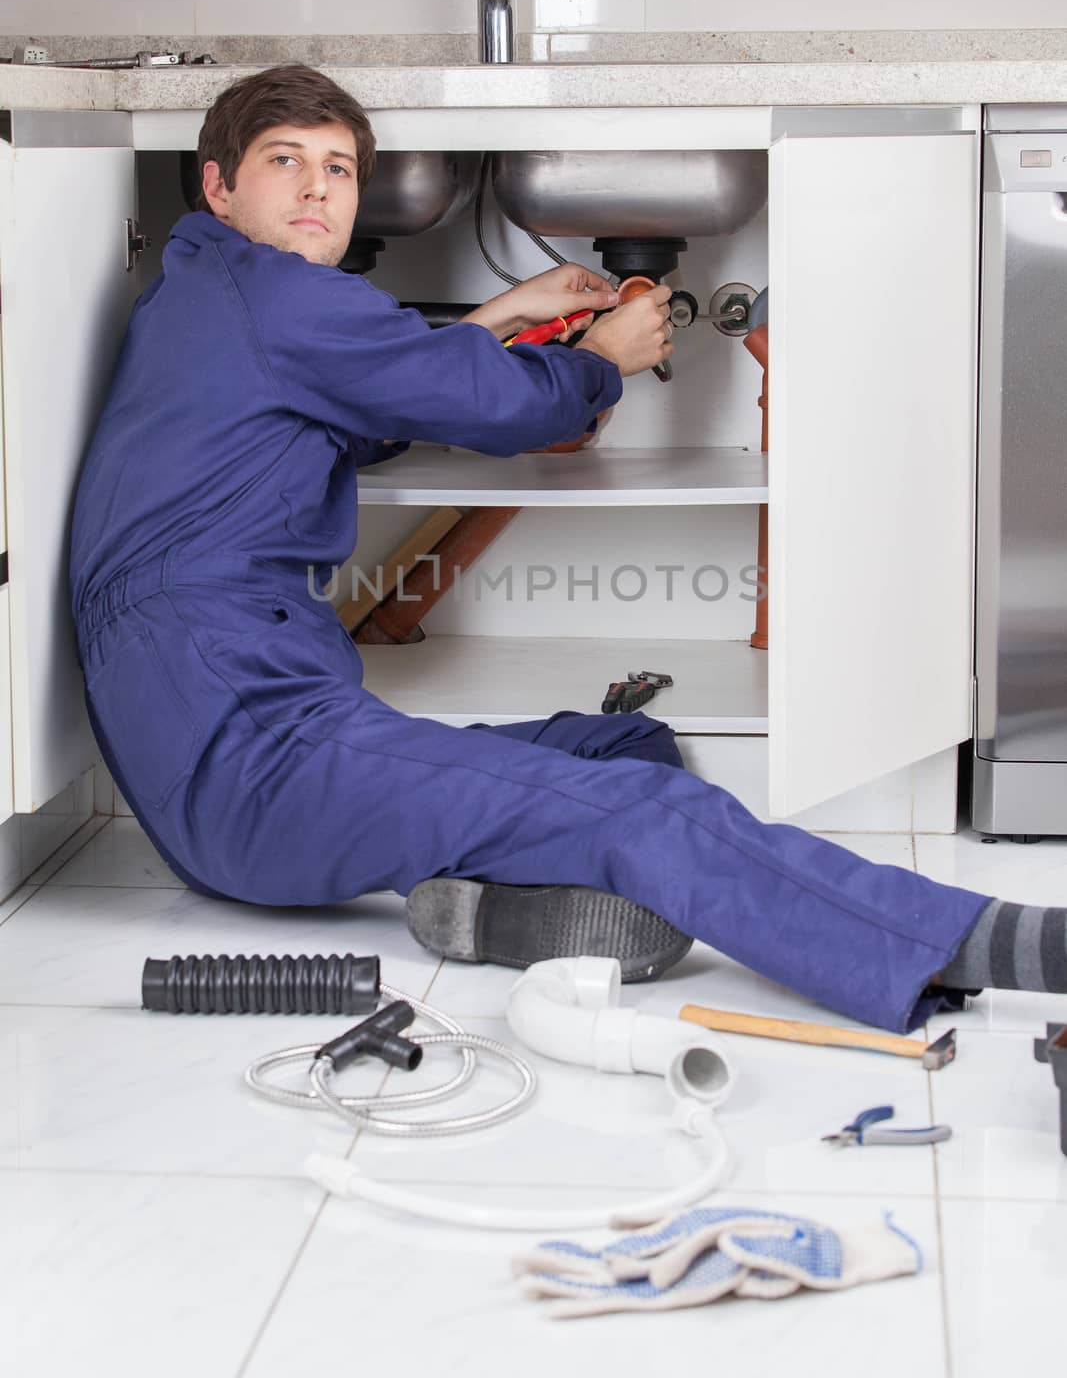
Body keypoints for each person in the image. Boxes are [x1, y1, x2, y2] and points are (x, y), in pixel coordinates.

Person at [69, 65, 1065, 1036]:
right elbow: (490, 406)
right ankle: (965, 940)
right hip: (247, 766)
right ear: (217, 182)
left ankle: (484, 912)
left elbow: (369, 401)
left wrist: (498, 316)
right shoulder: (273, 296)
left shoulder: (217, 290)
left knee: (620, 748)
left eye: (337, 168)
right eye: (285, 160)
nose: (318, 188)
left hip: (250, 738)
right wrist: (597, 361)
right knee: (636, 812)